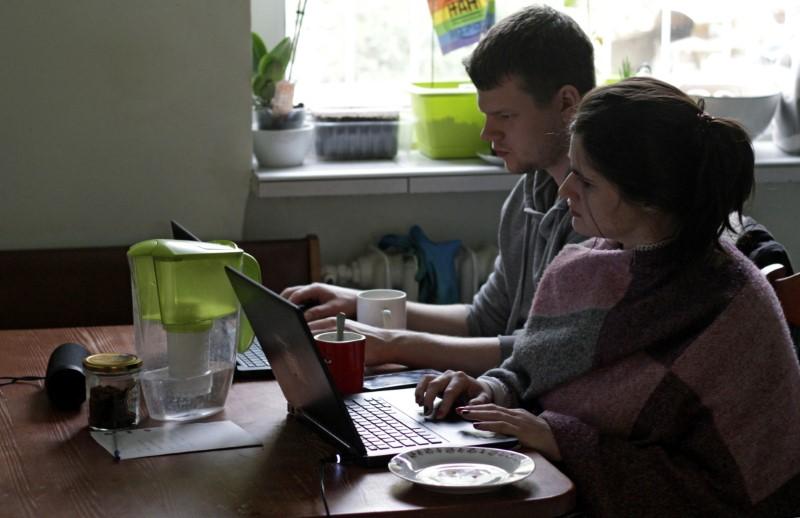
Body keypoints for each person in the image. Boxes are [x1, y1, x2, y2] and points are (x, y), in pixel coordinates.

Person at [416, 77, 800, 517]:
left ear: (650, 199)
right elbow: (529, 372)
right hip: (555, 489)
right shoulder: (585, 267)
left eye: (586, 181)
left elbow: (718, 494)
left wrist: (562, 438)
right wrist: (487, 390)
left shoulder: (731, 310)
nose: (565, 191)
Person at [282, 5, 594, 375]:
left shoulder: (601, 213)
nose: (487, 133)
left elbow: (547, 351)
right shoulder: (527, 196)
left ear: (566, 104)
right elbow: (483, 320)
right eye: (486, 114)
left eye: (505, 116)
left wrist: (392, 343)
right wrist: (357, 303)